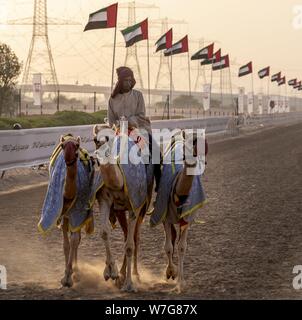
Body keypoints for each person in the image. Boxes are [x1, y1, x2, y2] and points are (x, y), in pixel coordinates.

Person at [108, 66, 161, 191]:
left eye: (130, 80)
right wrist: (120, 125)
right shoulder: (112, 98)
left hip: (139, 130)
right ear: (120, 81)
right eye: (125, 80)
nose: (128, 82)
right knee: (102, 156)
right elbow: (111, 120)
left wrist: (129, 120)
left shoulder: (138, 95)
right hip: (119, 132)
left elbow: (141, 115)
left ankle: (158, 182)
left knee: (156, 152)